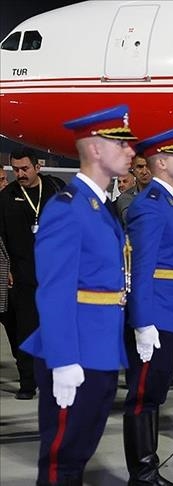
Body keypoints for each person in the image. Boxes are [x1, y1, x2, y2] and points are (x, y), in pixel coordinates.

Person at [19, 105, 136, 485]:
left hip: (100, 349)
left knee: (79, 454)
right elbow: (54, 290)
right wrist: (64, 359)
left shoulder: (98, 206)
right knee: (62, 459)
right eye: (122, 144)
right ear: (97, 149)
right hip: (76, 353)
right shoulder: (67, 207)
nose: (132, 151)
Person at [122, 127, 173, 485]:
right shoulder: (150, 205)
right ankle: (143, 474)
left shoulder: (168, 202)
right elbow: (140, 268)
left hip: (171, 311)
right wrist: (142, 322)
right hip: (156, 315)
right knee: (142, 397)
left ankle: (148, 469)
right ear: (161, 163)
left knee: (154, 396)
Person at [0, 149, 65, 400]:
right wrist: (6, 269)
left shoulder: (56, 189)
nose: (20, 174)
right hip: (23, 275)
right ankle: (28, 382)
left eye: (25, 169)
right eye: (15, 169)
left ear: (37, 167)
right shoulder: (7, 197)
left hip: (57, 275)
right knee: (26, 331)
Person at [115, 155, 152, 224]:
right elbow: (133, 221)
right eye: (139, 167)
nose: (144, 172)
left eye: (148, 166)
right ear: (133, 169)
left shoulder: (164, 194)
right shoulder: (126, 198)